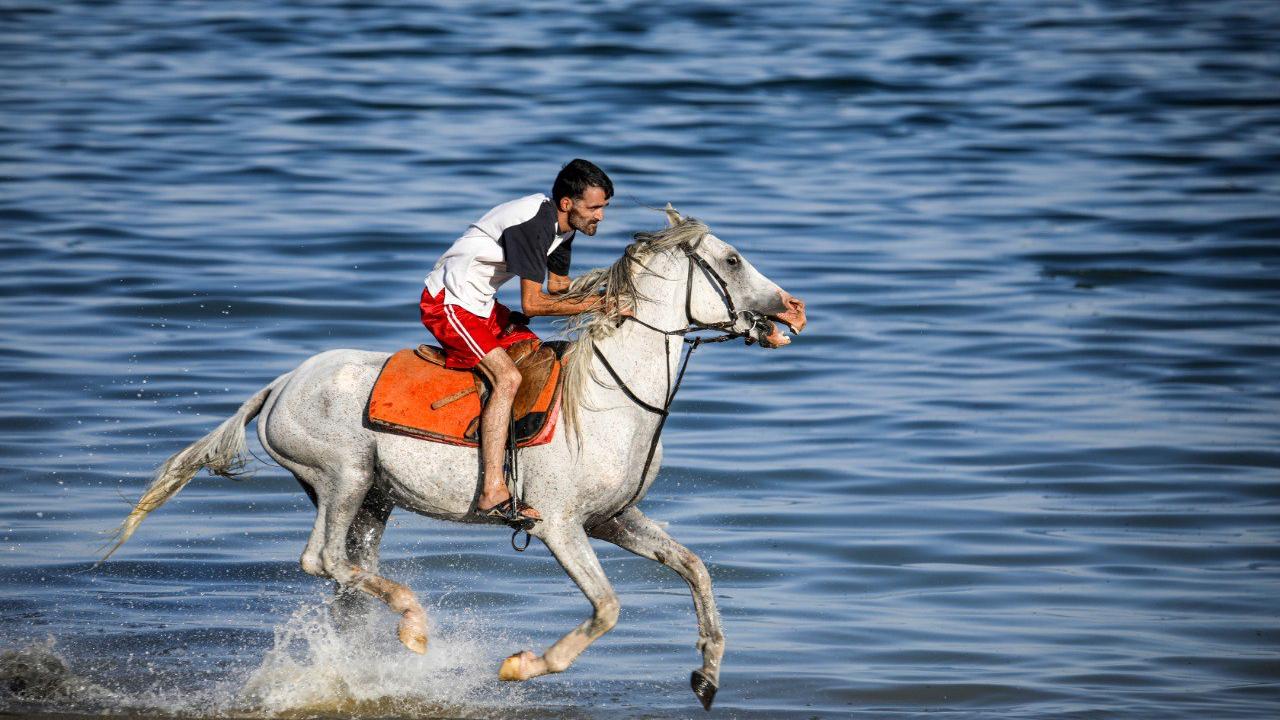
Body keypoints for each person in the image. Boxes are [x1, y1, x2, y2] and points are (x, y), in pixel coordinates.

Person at [419, 159, 615, 524]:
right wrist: (604, 304)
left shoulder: (565, 229)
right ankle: (491, 490)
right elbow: (535, 304)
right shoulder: (533, 225)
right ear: (567, 203)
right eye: (594, 207)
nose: (601, 216)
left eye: (604, 207)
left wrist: (612, 288)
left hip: (484, 308)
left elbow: (557, 286)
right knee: (508, 378)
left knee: (538, 355)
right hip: (448, 304)